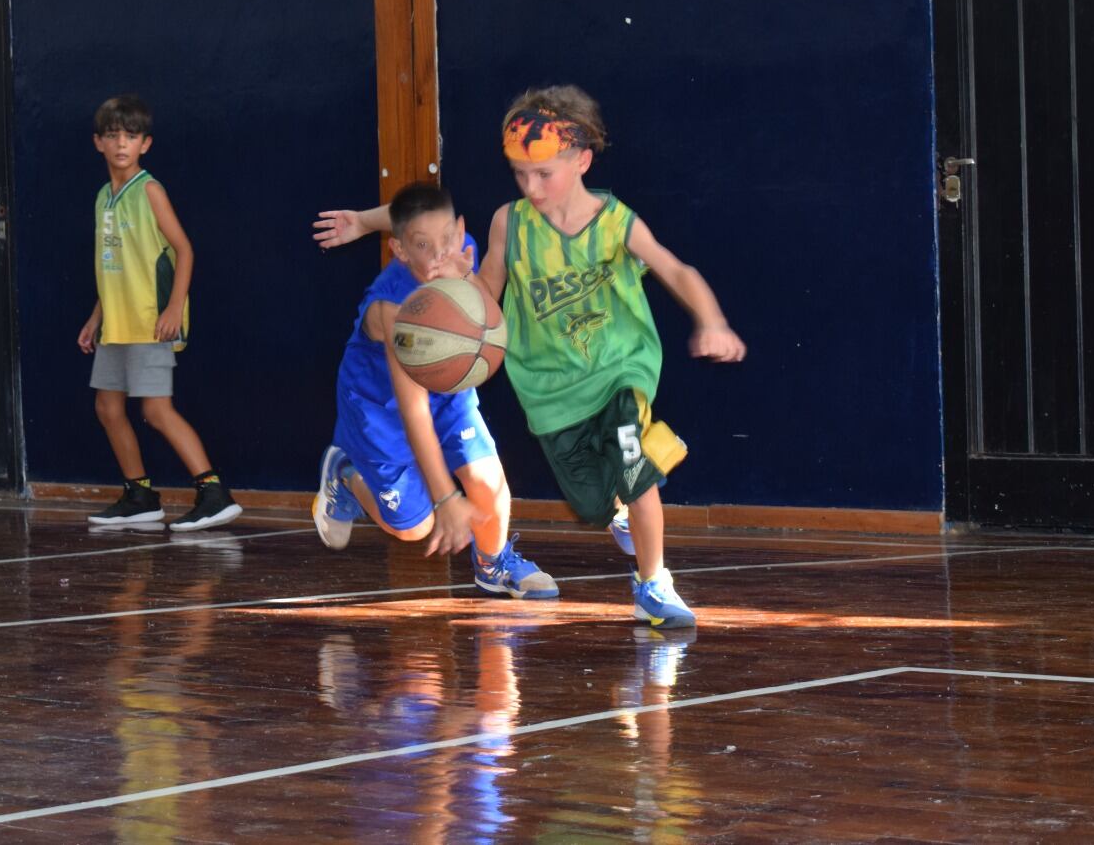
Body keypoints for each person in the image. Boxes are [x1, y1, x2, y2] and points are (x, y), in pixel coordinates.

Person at [314, 86, 745, 628]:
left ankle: (653, 584)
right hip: (553, 391)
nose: (530, 186)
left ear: (583, 160)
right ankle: (621, 499)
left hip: (619, 371)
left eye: (544, 173)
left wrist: (711, 320)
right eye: (520, 174)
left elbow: (675, 269)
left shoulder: (615, 221)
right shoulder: (507, 224)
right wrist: (460, 290)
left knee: (634, 471)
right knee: (591, 502)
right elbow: (487, 294)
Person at [314, 181, 557, 598]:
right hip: (381, 407)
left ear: (460, 230)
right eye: (424, 246)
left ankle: (492, 565)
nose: (440, 252)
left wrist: (364, 222)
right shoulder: (394, 308)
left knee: (488, 482)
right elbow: (414, 413)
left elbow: (490, 325)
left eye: (448, 238)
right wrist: (445, 499)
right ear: (401, 251)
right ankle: (344, 474)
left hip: (444, 390)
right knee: (415, 528)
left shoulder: (459, 254)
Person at [77, 94, 239, 532]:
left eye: (130, 136)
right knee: (108, 407)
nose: (121, 144)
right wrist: (96, 318)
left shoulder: (149, 190)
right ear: (98, 143)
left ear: (145, 144)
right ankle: (140, 494)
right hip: (117, 323)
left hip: (150, 321)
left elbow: (184, 250)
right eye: (112, 136)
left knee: (156, 410)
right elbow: (112, 267)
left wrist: (173, 307)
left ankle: (213, 491)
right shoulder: (101, 198)